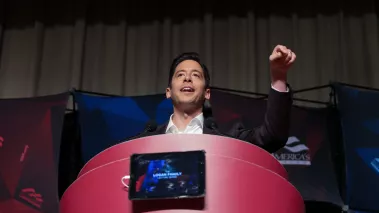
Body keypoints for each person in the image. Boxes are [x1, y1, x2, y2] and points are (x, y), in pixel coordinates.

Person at [137, 45, 295, 153]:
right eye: (180, 75)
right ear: (168, 92)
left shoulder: (228, 137)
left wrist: (279, 77)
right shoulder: (143, 141)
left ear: (207, 93)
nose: (187, 78)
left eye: (196, 75)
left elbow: (273, 137)